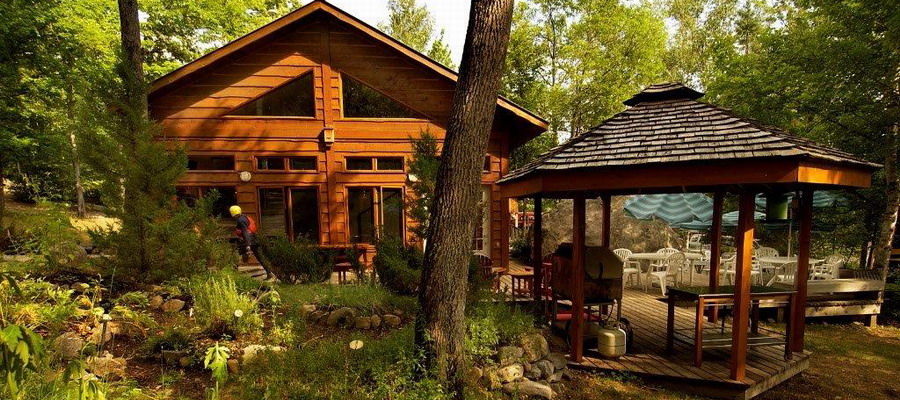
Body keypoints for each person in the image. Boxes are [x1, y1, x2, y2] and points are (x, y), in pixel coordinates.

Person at [230, 205, 272, 280]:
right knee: (259, 257)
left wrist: (248, 245)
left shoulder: (240, 221)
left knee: (235, 255)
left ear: (233, 213)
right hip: (254, 239)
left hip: (248, 240)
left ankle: (234, 275)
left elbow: (245, 232)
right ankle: (269, 273)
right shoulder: (244, 217)